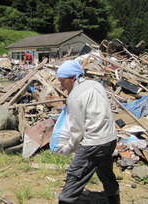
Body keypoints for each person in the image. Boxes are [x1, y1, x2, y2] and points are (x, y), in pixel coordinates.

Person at [56, 60, 120, 204]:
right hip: (110, 139)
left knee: (74, 178)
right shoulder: (96, 85)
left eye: (62, 80)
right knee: (106, 174)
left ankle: (65, 201)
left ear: (72, 77)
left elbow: (77, 131)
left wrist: (68, 148)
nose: (60, 84)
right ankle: (114, 200)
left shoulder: (74, 97)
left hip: (94, 143)